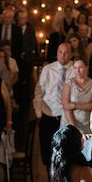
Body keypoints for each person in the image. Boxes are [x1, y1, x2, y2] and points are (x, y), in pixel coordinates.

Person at [34, 43, 74, 172]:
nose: (63, 55)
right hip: (48, 114)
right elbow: (39, 91)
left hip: (66, 116)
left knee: (65, 153)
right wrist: (39, 113)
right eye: (60, 52)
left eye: (66, 52)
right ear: (56, 53)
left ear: (71, 54)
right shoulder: (48, 69)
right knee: (47, 153)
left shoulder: (75, 69)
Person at [61, 59, 92, 135]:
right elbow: (66, 106)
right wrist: (73, 127)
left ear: (87, 67)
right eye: (75, 68)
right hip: (69, 123)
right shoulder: (68, 84)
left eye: (80, 67)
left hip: (88, 123)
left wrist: (74, 105)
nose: (77, 70)